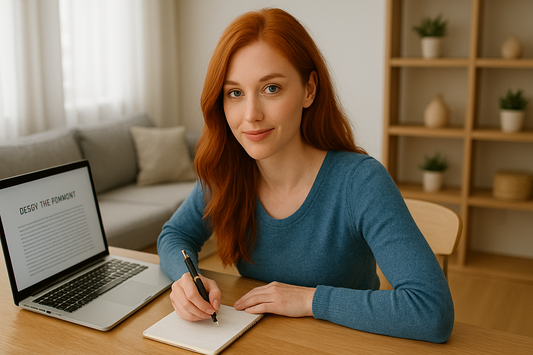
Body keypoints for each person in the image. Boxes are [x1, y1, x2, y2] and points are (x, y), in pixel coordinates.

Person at [157, 8, 454, 343]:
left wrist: (307, 299)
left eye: (271, 88)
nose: (251, 115)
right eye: (235, 93)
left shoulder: (360, 182)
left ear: (309, 90)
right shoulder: (227, 171)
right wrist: (186, 278)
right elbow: (174, 236)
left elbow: (431, 310)